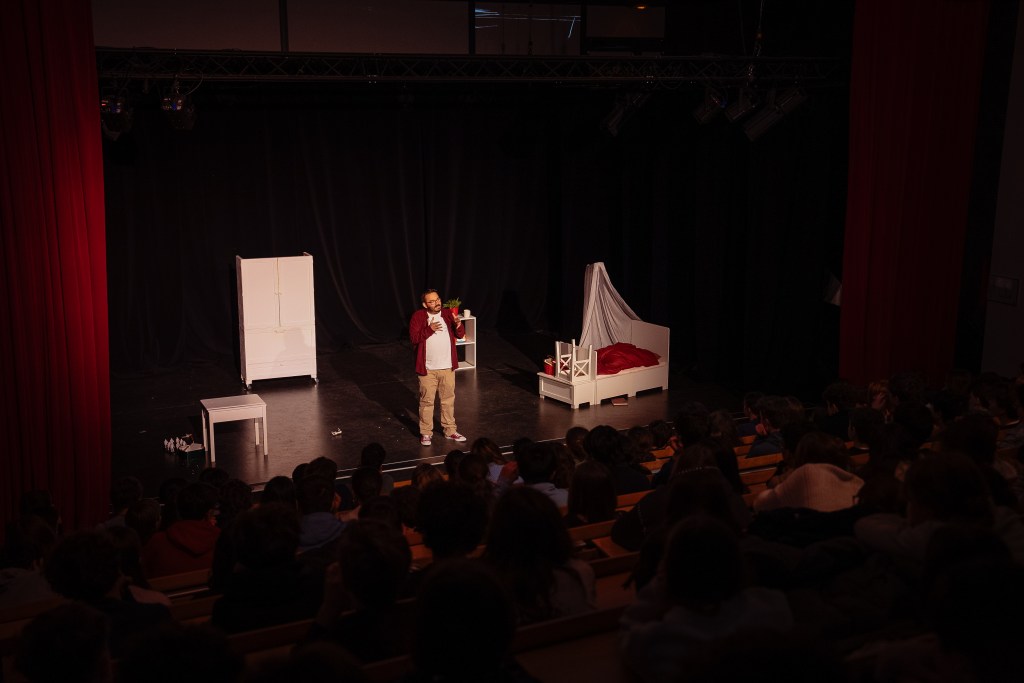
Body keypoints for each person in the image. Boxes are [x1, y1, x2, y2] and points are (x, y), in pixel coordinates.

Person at [409, 289, 466, 446]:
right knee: (427, 402)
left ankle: (450, 430)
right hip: (427, 368)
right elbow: (414, 338)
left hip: (447, 367)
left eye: (438, 299)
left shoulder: (447, 314)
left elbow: (460, 334)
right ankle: (426, 433)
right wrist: (429, 329)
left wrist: (459, 325)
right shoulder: (418, 316)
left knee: (448, 401)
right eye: (432, 301)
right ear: (425, 304)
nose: (437, 303)